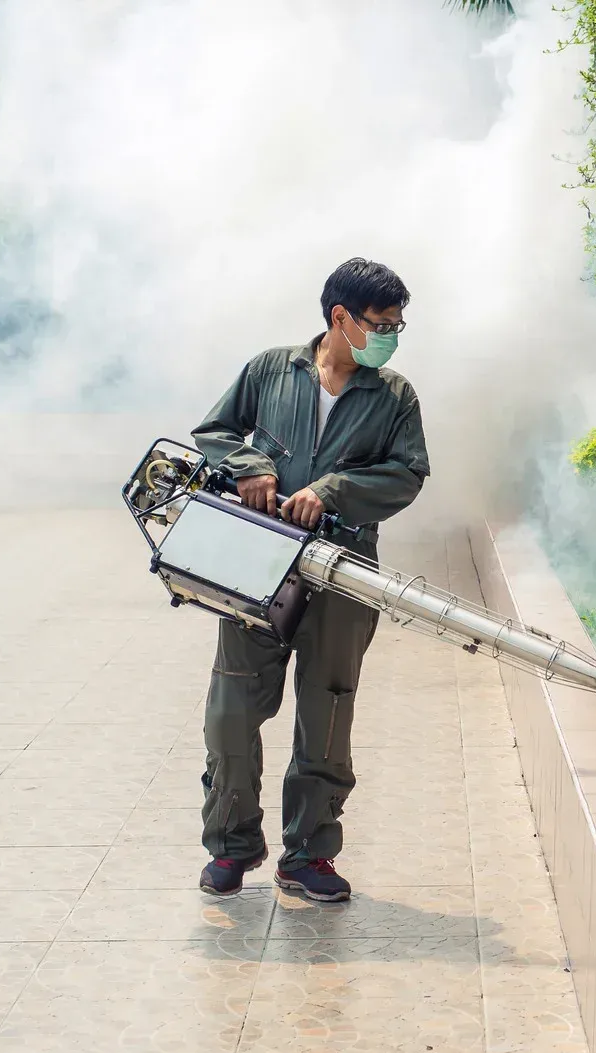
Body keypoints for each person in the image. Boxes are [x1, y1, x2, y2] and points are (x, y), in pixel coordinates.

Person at [189, 258, 429, 901]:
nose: (391, 336)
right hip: (256, 565)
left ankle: (308, 856)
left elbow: (407, 474)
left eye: (398, 325)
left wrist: (332, 490)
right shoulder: (271, 370)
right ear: (340, 317)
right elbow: (214, 431)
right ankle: (231, 847)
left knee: (327, 713)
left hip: (342, 574)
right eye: (381, 323)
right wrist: (251, 466)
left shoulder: (394, 396)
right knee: (231, 713)